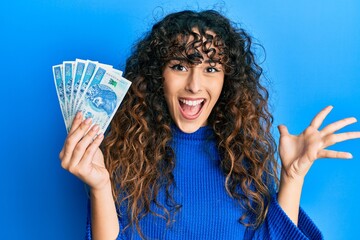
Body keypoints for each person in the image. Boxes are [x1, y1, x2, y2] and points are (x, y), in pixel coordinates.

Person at [59, 10, 360, 240]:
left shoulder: (244, 161)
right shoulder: (127, 154)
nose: (194, 85)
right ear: (156, 75)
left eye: (211, 68)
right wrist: (99, 187)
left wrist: (292, 178)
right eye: (180, 66)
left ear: (226, 80)